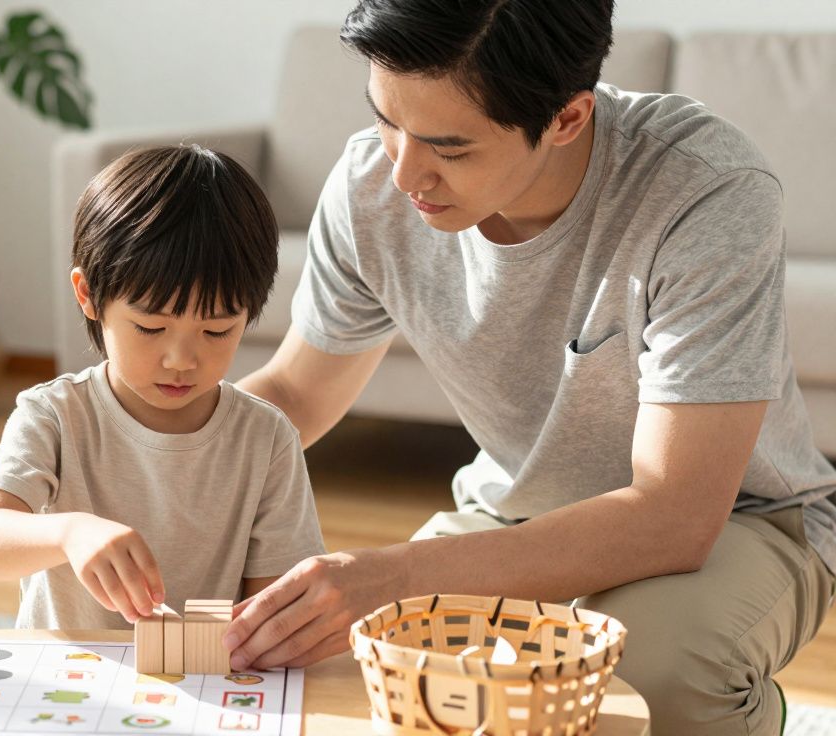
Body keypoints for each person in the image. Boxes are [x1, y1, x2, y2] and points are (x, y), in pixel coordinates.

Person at [223, 1, 836, 733]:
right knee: (376, 662)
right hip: (517, 506)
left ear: (568, 119)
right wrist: (137, 451)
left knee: (645, 677)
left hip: (742, 521)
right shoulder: (371, 182)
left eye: (449, 148)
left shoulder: (704, 191)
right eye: (387, 119)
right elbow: (296, 390)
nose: (404, 172)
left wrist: (389, 572)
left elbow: (675, 515)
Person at [0, 145, 326, 630]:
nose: (181, 360)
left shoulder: (266, 438)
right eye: (150, 328)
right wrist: (69, 531)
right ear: (88, 295)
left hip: (205, 684)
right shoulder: (55, 415)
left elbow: (271, 611)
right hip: (69, 684)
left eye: (217, 331)